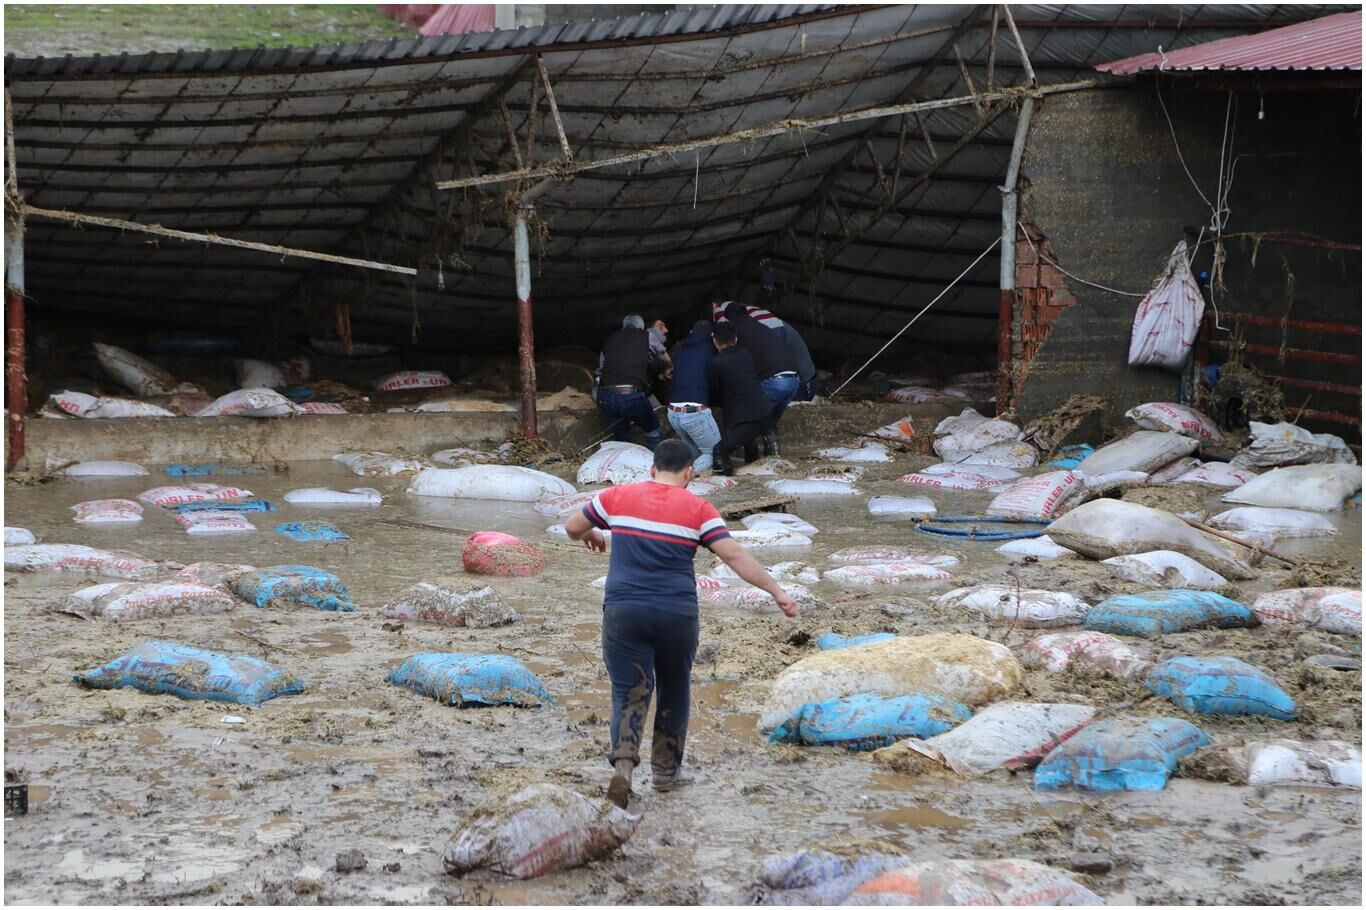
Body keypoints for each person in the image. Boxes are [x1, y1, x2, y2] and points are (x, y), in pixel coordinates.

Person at [564, 439, 798, 807]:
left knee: (629, 690)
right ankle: (666, 774)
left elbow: (572, 526)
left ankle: (623, 767)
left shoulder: (617, 496)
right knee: (674, 687)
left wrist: (591, 533)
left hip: (625, 611)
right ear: (689, 473)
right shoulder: (699, 509)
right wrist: (776, 591)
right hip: (676, 613)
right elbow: (734, 555)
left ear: (652, 468)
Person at [722, 299, 799, 455]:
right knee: (768, 420)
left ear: (728, 318)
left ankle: (749, 455)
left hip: (774, 381)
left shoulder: (734, 331)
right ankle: (773, 458)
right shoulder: (760, 326)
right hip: (793, 380)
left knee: (747, 414)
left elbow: (735, 363)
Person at [706, 322, 774, 476]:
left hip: (749, 417)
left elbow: (713, 388)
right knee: (747, 441)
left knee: (719, 450)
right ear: (735, 339)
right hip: (762, 411)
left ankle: (727, 479)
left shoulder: (716, 362)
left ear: (715, 341)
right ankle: (751, 466)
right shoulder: (745, 354)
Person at [595, 314, 664, 449]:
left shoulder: (610, 339)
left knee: (621, 438)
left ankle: (623, 458)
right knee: (653, 431)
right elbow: (662, 354)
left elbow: (601, 369)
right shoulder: (647, 335)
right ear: (642, 327)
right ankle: (657, 457)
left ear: (623, 326)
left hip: (606, 396)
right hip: (631, 394)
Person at [665, 320, 721, 473]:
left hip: (673, 412)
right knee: (714, 452)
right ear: (711, 334)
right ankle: (682, 476)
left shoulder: (681, 347)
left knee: (694, 452)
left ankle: (679, 475)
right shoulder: (711, 347)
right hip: (694, 411)